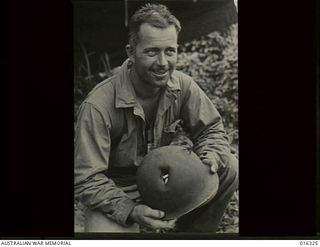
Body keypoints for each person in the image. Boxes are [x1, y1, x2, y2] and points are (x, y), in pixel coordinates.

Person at [74, 3, 238, 233]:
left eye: (170, 51)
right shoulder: (97, 106)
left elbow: (211, 129)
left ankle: (190, 235)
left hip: (168, 180)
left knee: (228, 167)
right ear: (131, 52)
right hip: (119, 189)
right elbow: (86, 178)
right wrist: (129, 209)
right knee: (106, 237)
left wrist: (209, 156)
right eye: (152, 51)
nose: (163, 63)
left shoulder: (182, 86)